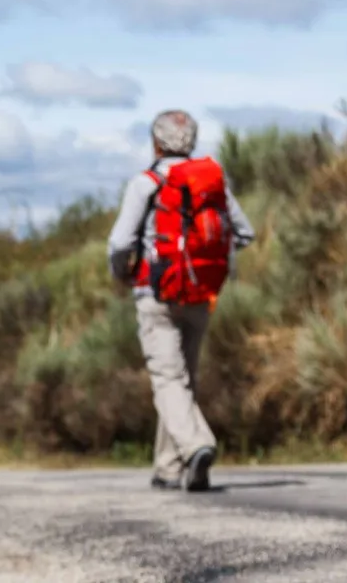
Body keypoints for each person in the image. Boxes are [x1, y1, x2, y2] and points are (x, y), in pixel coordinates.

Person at [106, 109, 255, 492]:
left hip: (156, 293)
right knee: (183, 380)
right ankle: (168, 467)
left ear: (156, 142)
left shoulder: (146, 183)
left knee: (168, 379)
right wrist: (208, 258)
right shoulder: (211, 182)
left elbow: (120, 242)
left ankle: (196, 445)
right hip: (201, 293)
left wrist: (123, 272)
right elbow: (245, 232)